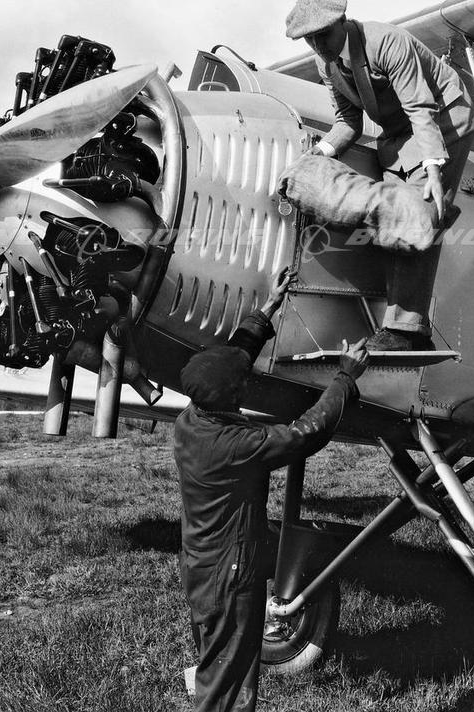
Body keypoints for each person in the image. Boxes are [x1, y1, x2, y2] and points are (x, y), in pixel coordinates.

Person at [174, 265, 369, 712]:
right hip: (230, 576)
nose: (246, 383)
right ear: (227, 395)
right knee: (227, 679)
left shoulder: (193, 417)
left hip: (204, 568)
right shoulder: (233, 446)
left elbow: (231, 360)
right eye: (241, 384)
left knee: (222, 664)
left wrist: (269, 306)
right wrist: (345, 377)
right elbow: (305, 433)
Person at [285, 0, 474, 352]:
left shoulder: (387, 41)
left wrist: (433, 169)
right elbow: (348, 121)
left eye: (323, 34)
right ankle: (406, 325)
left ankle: (406, 332)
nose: (318, 45)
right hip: (399, 132)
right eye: (309, 39)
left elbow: (420, 107)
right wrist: (317, 154)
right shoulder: (327, 64)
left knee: (415, 210)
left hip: (443, 120)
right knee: (393, 213)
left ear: (343, 22)